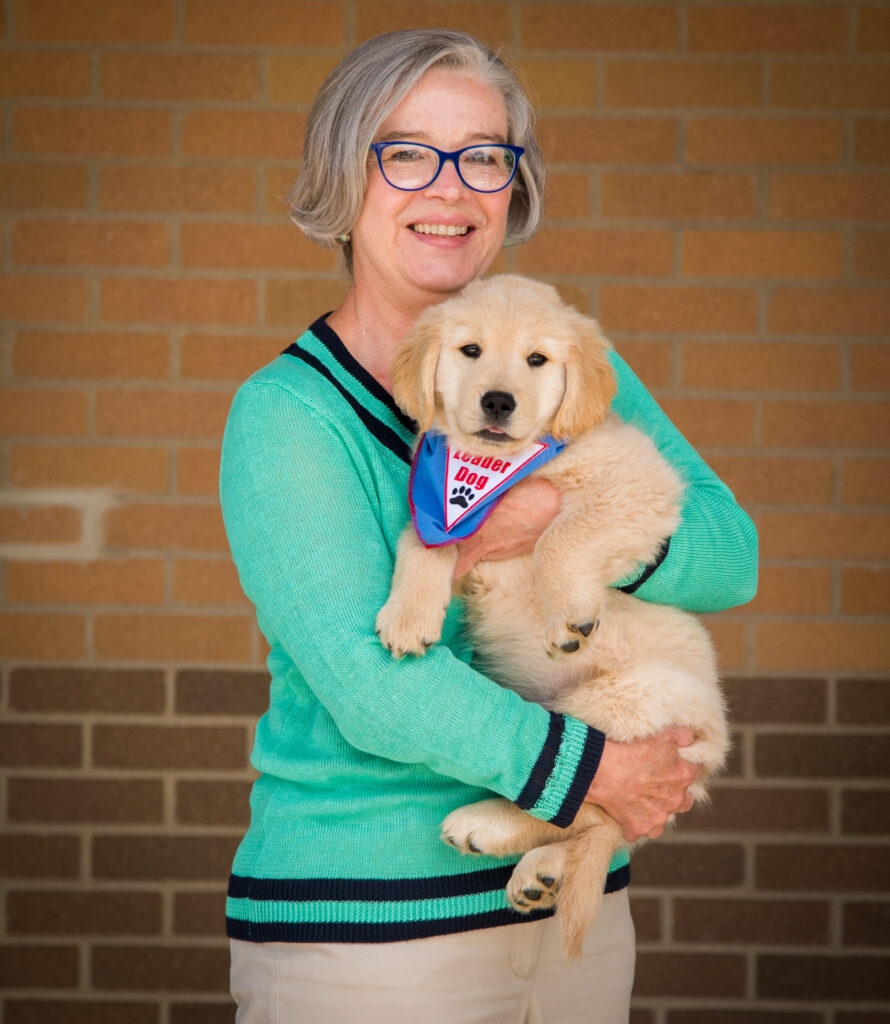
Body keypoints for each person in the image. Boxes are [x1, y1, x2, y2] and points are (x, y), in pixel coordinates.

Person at [221, 28, 758, 1024]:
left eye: (484, 156)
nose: (450, 188)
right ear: (346, 178)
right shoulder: (287, 417)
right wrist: (599, 771)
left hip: (566, 910)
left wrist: (557, 518)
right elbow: (372, 688)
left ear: (513, 186)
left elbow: (731, 554)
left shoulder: (561, 361)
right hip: (367, 936)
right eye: (407, 152)